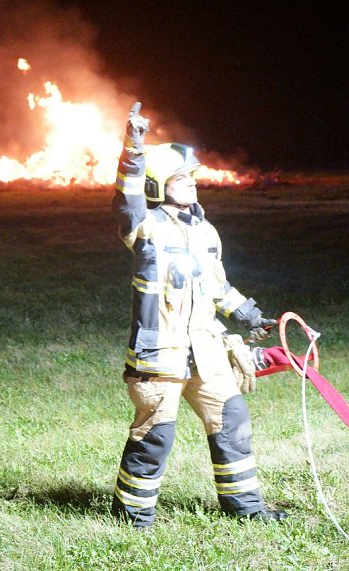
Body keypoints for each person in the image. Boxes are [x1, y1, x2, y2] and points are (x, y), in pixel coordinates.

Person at [110, 102, 287, 528]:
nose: (191, 184)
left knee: (232, 422)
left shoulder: (206, 231)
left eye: (192, 177)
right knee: (155, 437)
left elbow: (217, 287)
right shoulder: (144, 227)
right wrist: (133, 149)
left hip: (206, 352)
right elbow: (126, 199)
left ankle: (245, 508)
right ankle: (132, 516)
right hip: (160, 358)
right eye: (181, 178)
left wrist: (249, 315)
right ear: (157, 185)